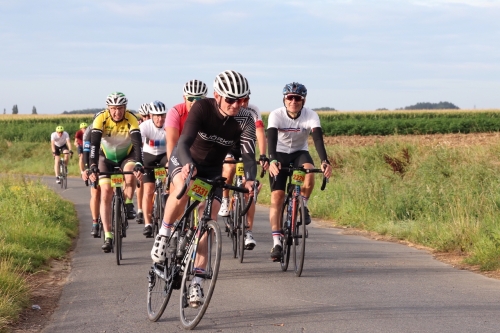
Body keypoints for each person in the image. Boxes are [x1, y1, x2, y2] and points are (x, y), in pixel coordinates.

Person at [151, 70, 257, 307]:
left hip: (212, 171)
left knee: (208, 222)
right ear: (217, 95)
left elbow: (249, 155)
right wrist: (188, 164)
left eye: (241, 100)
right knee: (182, 187)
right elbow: (185, 141)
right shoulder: (202, 108)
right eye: (230, 99)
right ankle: (164, 233)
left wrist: (250, 179)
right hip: (186, 158)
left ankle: (197, 281)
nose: (236, 105)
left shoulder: (245, 119)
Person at [267, 82, 332, 261]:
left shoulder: (310, 115)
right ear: (284, 99)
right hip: (279, 154)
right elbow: (271, 138)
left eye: (298, 98)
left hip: (299, 153)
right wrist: (272, 160)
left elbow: (317, 138)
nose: (294, 101)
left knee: (309, 171)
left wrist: (325, 161)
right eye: (290, 98)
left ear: (303, 100)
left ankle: (302, 204)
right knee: (277, 197)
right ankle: (277, 243)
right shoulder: (276, 115)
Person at [88, 92, 144, 253]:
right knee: (105, 191)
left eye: (120, 108)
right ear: (108, 108)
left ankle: (127, 204)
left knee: (130, 170)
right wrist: (92, 165)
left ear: (125, 108)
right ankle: (108, 235)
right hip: (106, 157)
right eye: (113, 109)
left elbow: (137, 144)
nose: (117, 112)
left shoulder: (131, 118)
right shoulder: (101, 118)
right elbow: (94, 144)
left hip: (126, 156)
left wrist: (139, 163)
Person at [218, 95, 269, 250]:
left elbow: (260, 132)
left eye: (246, 99)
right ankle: (225, 200)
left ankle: (248, 231)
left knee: (249, 190)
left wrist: (262, 155)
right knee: (230, 167)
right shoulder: (228, 109)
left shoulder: (253, 110)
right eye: (240, 99)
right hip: (229, 148)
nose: (243, 103)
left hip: (246, 147)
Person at [140, 101, 168, 238]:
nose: (160, 119)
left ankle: (167, 195)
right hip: (149, 156)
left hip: (164, 155)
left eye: (162, 115)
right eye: (156, 116)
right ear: (151, 115)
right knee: (149, 191)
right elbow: (138, 144)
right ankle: (148, 223)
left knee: (171, 171)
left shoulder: (169, 125)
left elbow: (174, 144)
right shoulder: (144, 126)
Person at [165, 79, 208, 161]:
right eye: (191, 98)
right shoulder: (175, 112)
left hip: (203, 153)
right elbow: (172, 143)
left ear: (205, 99)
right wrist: (173, 166)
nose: (194, 102)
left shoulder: (210, 111)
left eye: (199, 98)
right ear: (184, 98)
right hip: (180, 152)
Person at [81, 120, 101, 237]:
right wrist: (87, 169)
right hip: (93, 161)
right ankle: (95, 222)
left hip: (107, 158)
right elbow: (86, 153)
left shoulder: (110, 128)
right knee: (95, 192)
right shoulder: (89, 132)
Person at [135, 103, 150, 225]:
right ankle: (140, 209)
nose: (146, 118)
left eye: (148, 115)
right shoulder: (138, 125)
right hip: (141, 154)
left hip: (152, 155)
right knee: (141, 182)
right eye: (144, 116)